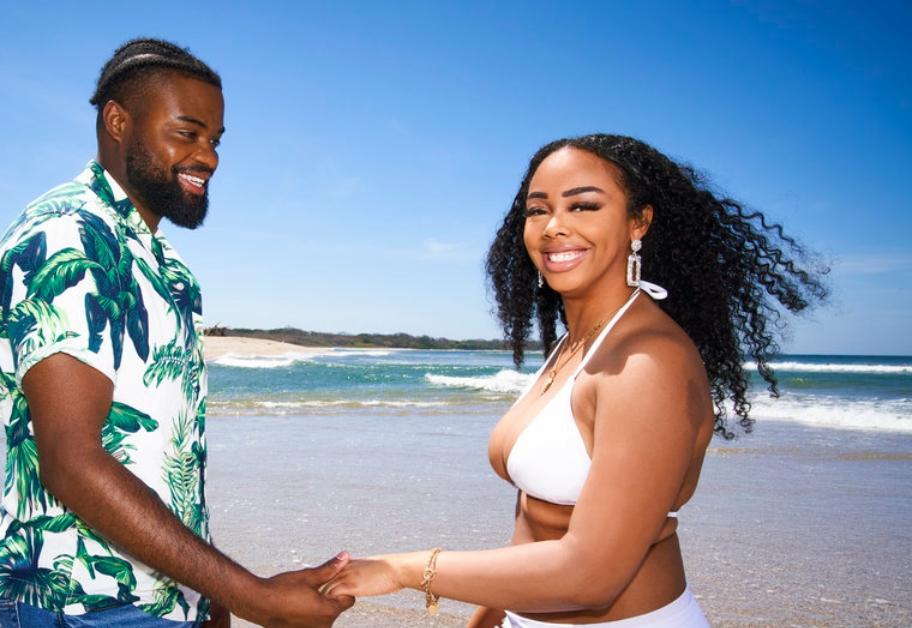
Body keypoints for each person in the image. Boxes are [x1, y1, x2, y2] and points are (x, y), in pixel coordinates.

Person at [321, 134, 827, 626]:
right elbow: (538, 522)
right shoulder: (577, 345)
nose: (553, 227)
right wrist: (488, 615)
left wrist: (404, 570)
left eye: (583, 206)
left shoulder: (649, 363)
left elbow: (591, 574)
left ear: (639, 221)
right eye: (538, 210)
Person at [0, 38, 353, 628]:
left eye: (216, 140)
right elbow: (71, 460)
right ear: (118, 122)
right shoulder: (67, 236)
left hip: (161, 599)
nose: (208, 156)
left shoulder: (165, 264)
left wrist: (212, 598)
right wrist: (254, 596)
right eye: (188, 133)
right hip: (86, 601)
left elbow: (160, 457)